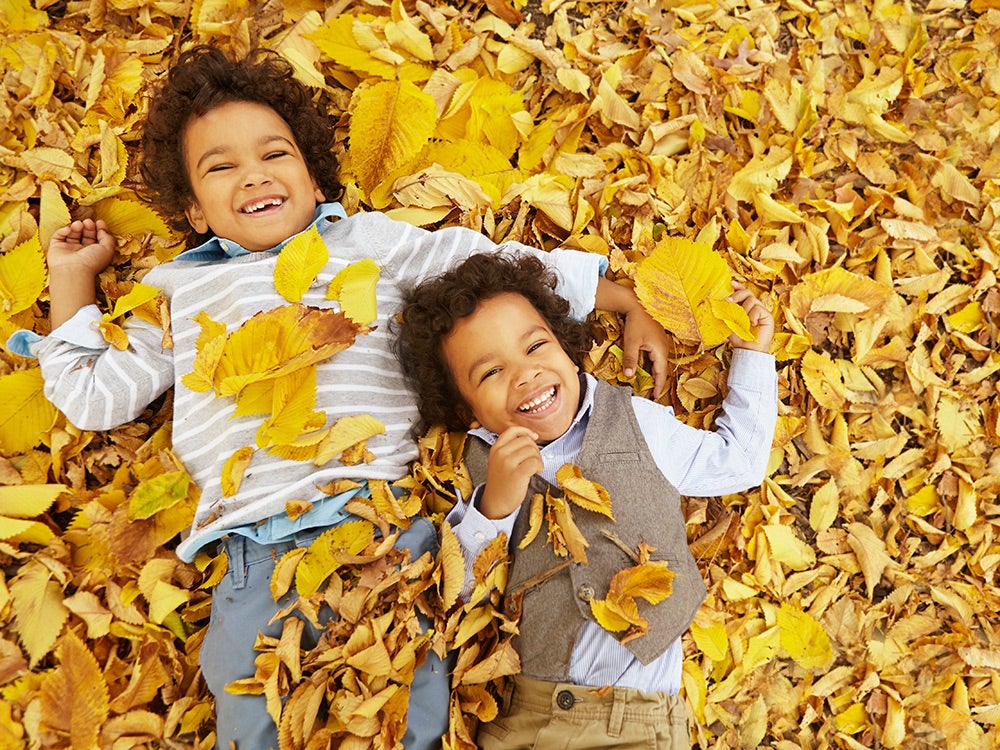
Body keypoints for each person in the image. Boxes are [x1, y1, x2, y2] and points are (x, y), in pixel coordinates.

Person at [7, 46, 674, 750]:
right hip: (255, 556)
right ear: (194, 211)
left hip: (385, 537)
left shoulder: (366, 242)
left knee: (407, 721)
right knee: (250, 723)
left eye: (275, 154)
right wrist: (73, 279)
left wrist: (620, 298)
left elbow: (484, 267)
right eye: (221, 167)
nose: (255, 175)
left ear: (313, 173)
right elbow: (92, 396)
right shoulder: (180, 289)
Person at [395, 253, 778, 749]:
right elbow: (460, 595)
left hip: (637, 723)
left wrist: (752, 354)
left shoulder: (635, 421)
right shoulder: (473, 467)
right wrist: (494, 506)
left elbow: (738, 463)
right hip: (524, 719)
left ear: (567, 347)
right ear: (468, 414)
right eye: (491, 373)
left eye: (536, 345)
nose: (526, 374)